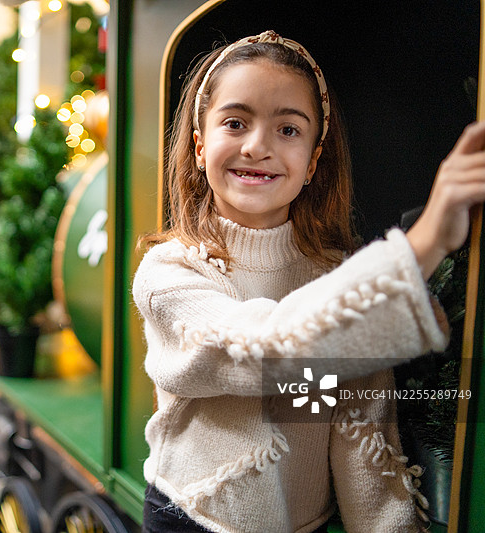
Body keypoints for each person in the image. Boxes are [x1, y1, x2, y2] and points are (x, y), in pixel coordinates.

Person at [132, 30, 485, 533]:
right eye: (235, 122)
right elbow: (264, 350)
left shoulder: (337, 275)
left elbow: (362, 435)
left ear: (314, 160)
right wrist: (423, 243)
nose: (257, 146)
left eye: (289, 130)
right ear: (199, 143)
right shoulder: (171, 273)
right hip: (190, 520)